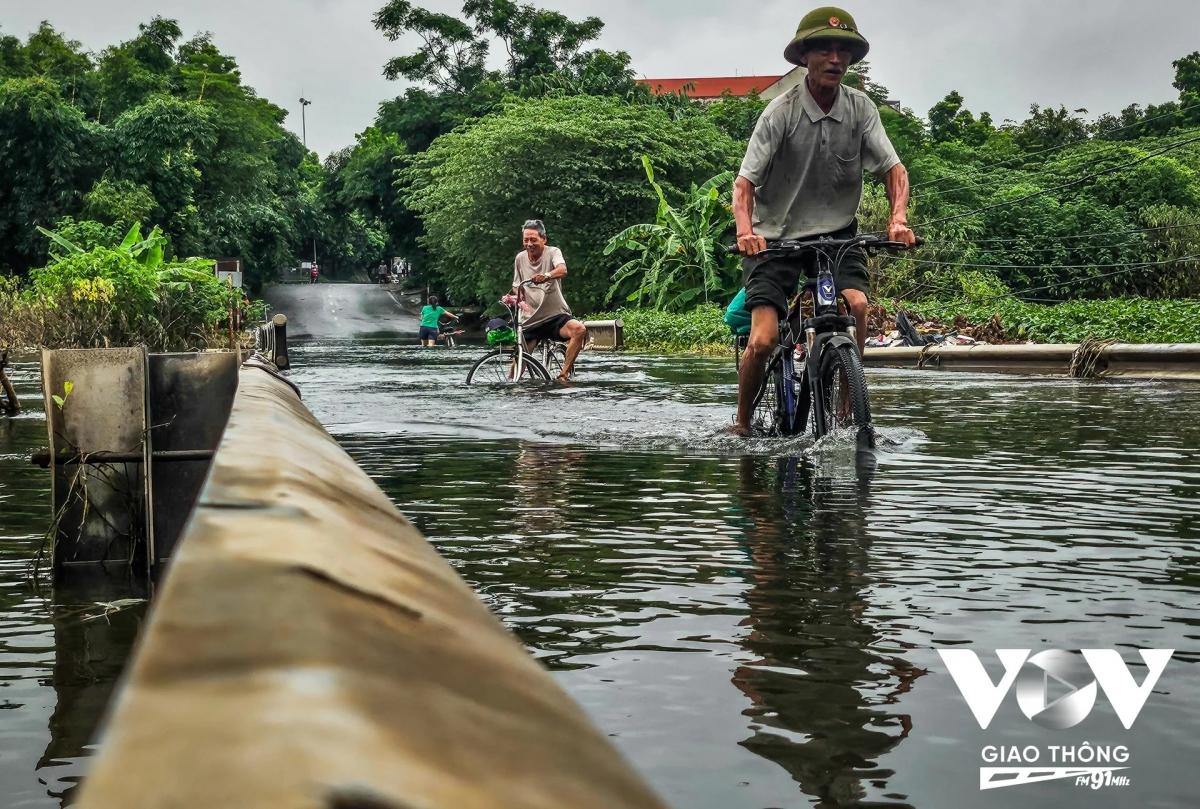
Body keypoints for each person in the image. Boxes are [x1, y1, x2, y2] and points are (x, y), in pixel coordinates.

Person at [729, 6, 915, 436]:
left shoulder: (861, 109)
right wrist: (745, 233)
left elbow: (895, 170)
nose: (835, 58)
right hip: (775, 238)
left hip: (837, 235)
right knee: (762, 340)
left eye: (843, 50)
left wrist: (898, 218)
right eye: (825, 49)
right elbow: (743, 186)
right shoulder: (780, 112)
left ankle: (852, 407)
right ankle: (740, 424)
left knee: (860, 306)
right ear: (804, 57)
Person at [511, 220, 587, 381]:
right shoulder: (520, 258)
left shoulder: (553, 252)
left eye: (533, 240)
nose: (529, 244)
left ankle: (563, 374)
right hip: (531, 319)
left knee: (579, 329)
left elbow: (562, 269)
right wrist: (519, 295)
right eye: (526, 240)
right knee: (517, 366)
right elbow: (516, 285)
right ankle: (511, 386)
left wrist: (547, 275)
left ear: (543, 239)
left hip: (555, 316)